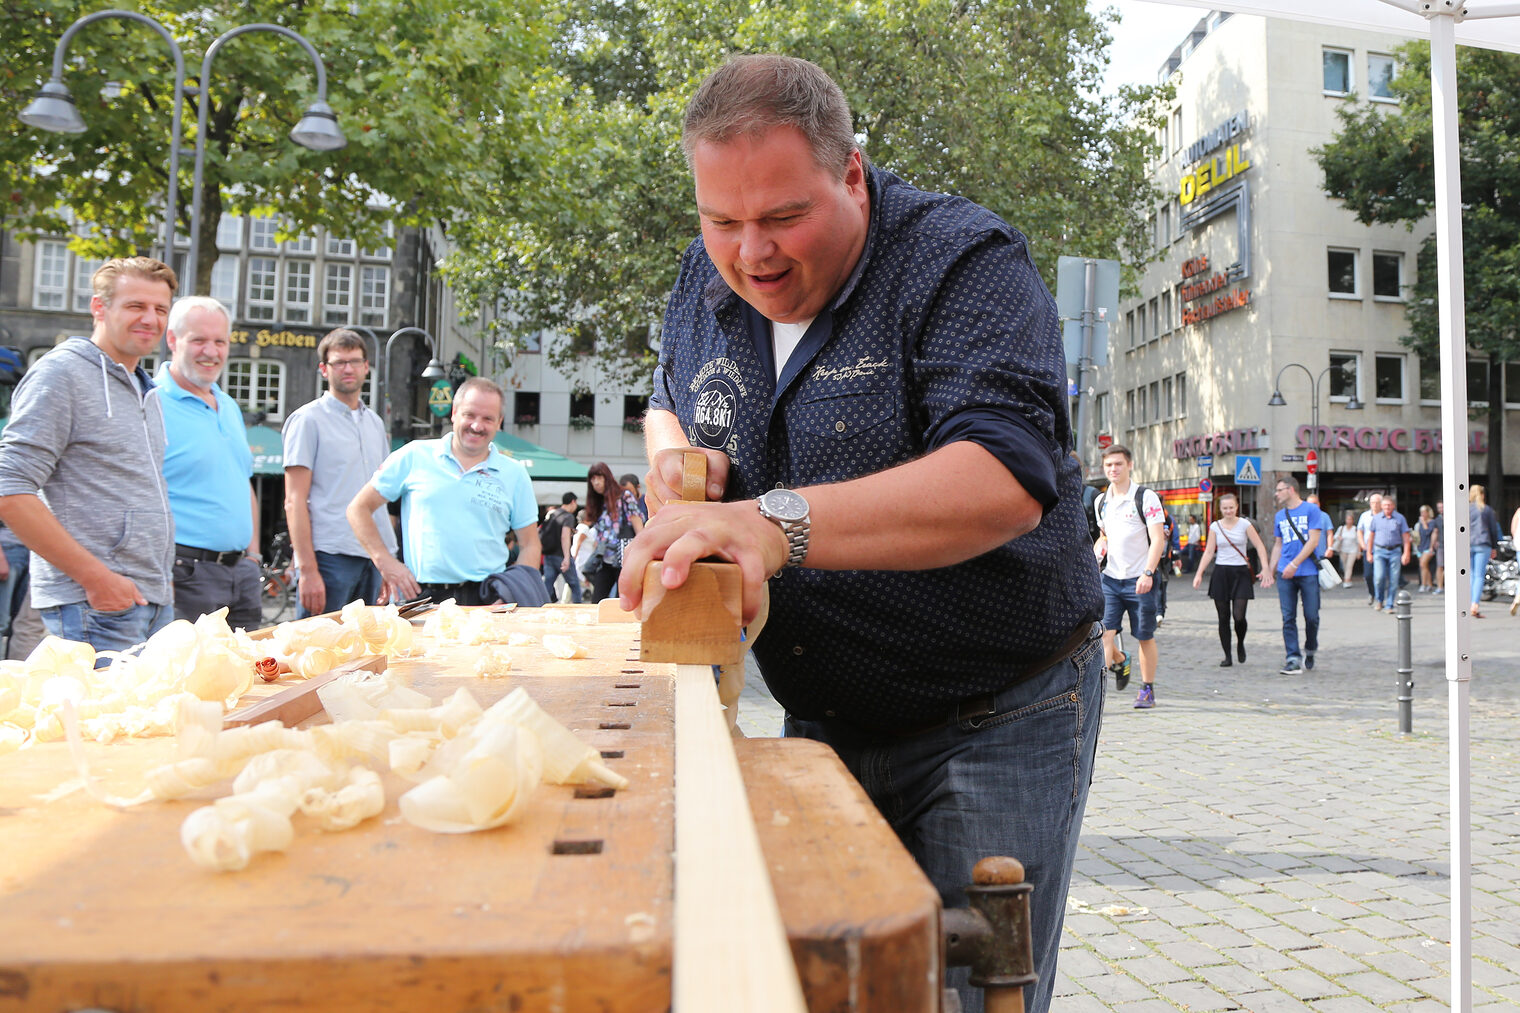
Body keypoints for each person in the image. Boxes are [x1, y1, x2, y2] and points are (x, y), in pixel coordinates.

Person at [616, 55, 1103, 1013]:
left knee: (963, 994)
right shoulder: (698, 278)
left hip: (995, 710)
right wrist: (682, 473)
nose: (751, 251)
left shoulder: (962, 260)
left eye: (783, 217)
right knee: (837, 994)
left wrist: (769, 524)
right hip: (822, 725)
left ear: (852, 172)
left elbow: (1003, 478)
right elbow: (668, 404)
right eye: (722, 221)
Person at [0, 257, 176, 655]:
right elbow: (9, 487)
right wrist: (96, 579)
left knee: (148, 718)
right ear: (99, 307)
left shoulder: (144, 387)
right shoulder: (61, 374)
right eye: (136, 306)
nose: (150, 318)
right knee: (106, 719)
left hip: (146, 598)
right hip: (96, 605)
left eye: (160, 309)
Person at [346, 377, 540, 606]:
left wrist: (510, 594)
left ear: (499, 422)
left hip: (486, 600)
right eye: (470, 415)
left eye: (488, 418)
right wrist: (384, 561)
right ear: (454, 413)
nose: (477, 426)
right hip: (420, 596)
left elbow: (530, 544)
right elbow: (358, 508)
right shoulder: (414, 456)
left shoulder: (514, 474)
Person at [153, 296, 262, 630]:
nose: (211, 352)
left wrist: (253, 557)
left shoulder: (227, 405)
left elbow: (243, 481)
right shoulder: (151, 401)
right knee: (188, 678)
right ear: (172, 340)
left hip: (241, 573)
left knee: (251, 678)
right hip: (185, 573)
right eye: (198, 340)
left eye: (220, 341)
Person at [282, 328, 394, 618]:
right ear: (323, 369)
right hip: (329, 558)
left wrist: (385, 560)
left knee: (365, 657)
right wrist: (306, 569)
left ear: (366, 367)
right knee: (317, 656)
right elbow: (294, 500)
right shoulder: (307, 420)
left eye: (355, 361)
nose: (348, 369)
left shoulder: (375, 423)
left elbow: (380, 499)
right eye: (339, 362)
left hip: (371, 557)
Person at [1094, 445, 1164, 708]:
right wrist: (1099, 547)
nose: (1113, 469)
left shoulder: (1145, 497)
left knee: (1144, 635)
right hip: (1110, 579)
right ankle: (1100, 687)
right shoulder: (1101, 501)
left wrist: (1148, 572)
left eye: (1118, 464)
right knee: (1103, 634)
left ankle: (1147, 688)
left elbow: (1157, 539)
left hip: (1140, 579)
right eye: (1109, 465)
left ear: (1129, 465)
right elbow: (1105, 536)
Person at [1192, 492, 1273, 665]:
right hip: (1221, 572)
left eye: (1231, 507)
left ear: (1236, 507)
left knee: (1239, 616)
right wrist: (1199, 574)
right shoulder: (1215, 527)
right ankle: (1227, 656)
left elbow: (1259, 546)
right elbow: (1208, 551)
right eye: (1224, 508)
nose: (1228, 511)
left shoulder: (1245, 525)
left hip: (1241, 573)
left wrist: (1266, 568)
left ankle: (1241, 642)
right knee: (1223, 616)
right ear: (1220, 509)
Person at [1269, 475, 1322, 674]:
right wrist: (1270, 569)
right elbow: (1278, 544)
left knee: (1312, 616)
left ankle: (1310, 648)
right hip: (1285, 572)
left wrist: (1295, 563)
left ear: (1291, 489)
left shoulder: (1311, 510)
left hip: (1308, 572)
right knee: (1288, 616)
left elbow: (1313, 541)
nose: (1276, 494)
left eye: (1279, 490)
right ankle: (1292, 657)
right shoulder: (1279, 516)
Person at [583, 462, 646, 603]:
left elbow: (637, 523)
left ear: (607, 478)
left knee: (622, 601)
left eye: (599, 478)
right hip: (605, 558)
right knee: (597, 600)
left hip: (623, 556)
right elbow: (599, 535)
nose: (596, 483)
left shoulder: (624, 495)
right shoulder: (598, 501)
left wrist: (641, 551)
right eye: (593, 479)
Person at [1367, 495, 1412, 613]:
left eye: (1389, 505)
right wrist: (1369, 553)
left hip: (1395, 551)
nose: (1387, 507)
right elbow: (1371, 537)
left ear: (1393, 506)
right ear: (1381, 506)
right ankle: (1380, 600)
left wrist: (1406, 553)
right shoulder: (1376, 519)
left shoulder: (1400, 518)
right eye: (1385, 505)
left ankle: (1390, 604)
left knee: (1394, 579)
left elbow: (1406, 537)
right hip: (1379, 551)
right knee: (1379, 578)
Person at [539, 492, 582, 603]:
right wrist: (567, 557)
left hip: (549, 555)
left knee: (547, 584)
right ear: (573, 502)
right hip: (561, 556)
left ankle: (540, 607)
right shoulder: (568, 517)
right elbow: (564, 536)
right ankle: (579, 610)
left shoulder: (553, 514)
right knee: (575, 586)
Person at [1467, 484, 1502, 619]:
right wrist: (1494, 547)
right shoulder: (1487, 510)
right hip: (1483, 544)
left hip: (1468, 544)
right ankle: (1474, 604)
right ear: (1482, 495)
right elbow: (1493, 530)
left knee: (1470, 574)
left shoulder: (1466, 510)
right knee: (1479, 575)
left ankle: (1468, 603)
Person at [1356, 493, 1384, 606]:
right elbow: (1359, 531)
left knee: (1380, 575)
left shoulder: (1384, 516)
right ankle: (1372, 593)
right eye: (1373, 502)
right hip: (1368, 549)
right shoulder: (1365, 516)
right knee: (1368, 575)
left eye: (1377, 502)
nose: (1375, 505)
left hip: (1381, 548)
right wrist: (1362, 544)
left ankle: (1379, 597)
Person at [570, 507, 596, 601]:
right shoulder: (584, 528)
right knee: (583, 580)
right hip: (583, 558)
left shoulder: (579, 527)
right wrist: (575, 556)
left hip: (581, 556)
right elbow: (579, 543)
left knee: (573, 579)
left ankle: (566, 600)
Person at [1332, 510, 1361, 585]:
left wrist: (1359, 551)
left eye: (1350, 519)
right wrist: (1339, 537)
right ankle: (1348, 578)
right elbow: (1334, 537)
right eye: (1347, 519)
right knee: (1344, 565)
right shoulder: (1341, 528)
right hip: (1343, 549)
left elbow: (1359, 541)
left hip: (1353, 550)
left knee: (1349, 565)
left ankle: (1346, 580)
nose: (1349, 521)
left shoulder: (1355, 529)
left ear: (1353, 520)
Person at [1414, 504, 1437, 593]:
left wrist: (1423, 522)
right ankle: (1430, 584)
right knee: (1424, 567)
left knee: (1423, 565)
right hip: (1420, 546)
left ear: (1428, 513)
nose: (1422, 514)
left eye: (1424, 512)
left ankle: (1423, 585)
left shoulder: (1432, 522)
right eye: (1421, 512)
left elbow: (1428, 532)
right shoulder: (1419, 523)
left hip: (1428, 546)